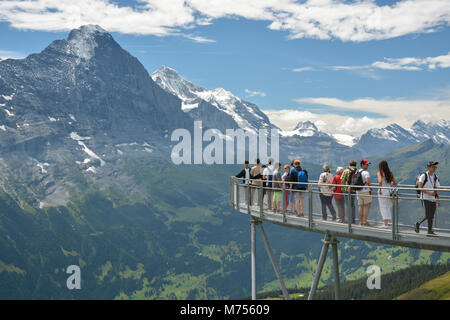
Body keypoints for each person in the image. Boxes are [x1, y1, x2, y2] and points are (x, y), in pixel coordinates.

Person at [414, 161, 441, 236]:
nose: (435, 168)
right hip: (425, 198)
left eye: (435, 167)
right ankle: (418, 223)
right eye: (433, 166)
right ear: (428, 167)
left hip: (433, 198)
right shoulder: (423, 176)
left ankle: (429, 231)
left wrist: (437, 199)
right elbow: (420, 187)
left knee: (431, 215)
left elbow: (436, 189)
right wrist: (429, 193)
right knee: (427, 215)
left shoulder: (435, 177)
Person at [377, 160, 397, 228]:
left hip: (382, 191)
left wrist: (380, 189)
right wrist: (389, 183)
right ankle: (387, 223)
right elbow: (394, 182)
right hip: (388, 191)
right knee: (387, 207)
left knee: (383, 207)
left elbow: (380, 181)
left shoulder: (380, 172)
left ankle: (385, 224)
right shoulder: (390, 173)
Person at [356, 159, 372, 226]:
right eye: (366, 164)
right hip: (365, 191)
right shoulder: (366, 172)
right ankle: (365, 221)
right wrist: (371, 189)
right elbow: (368, 182)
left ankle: (360, 221)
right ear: (362, 165)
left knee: (360, 206)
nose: (367, 165)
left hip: (358, 191)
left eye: (368, 164)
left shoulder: (357, 171)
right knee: (367, 206)